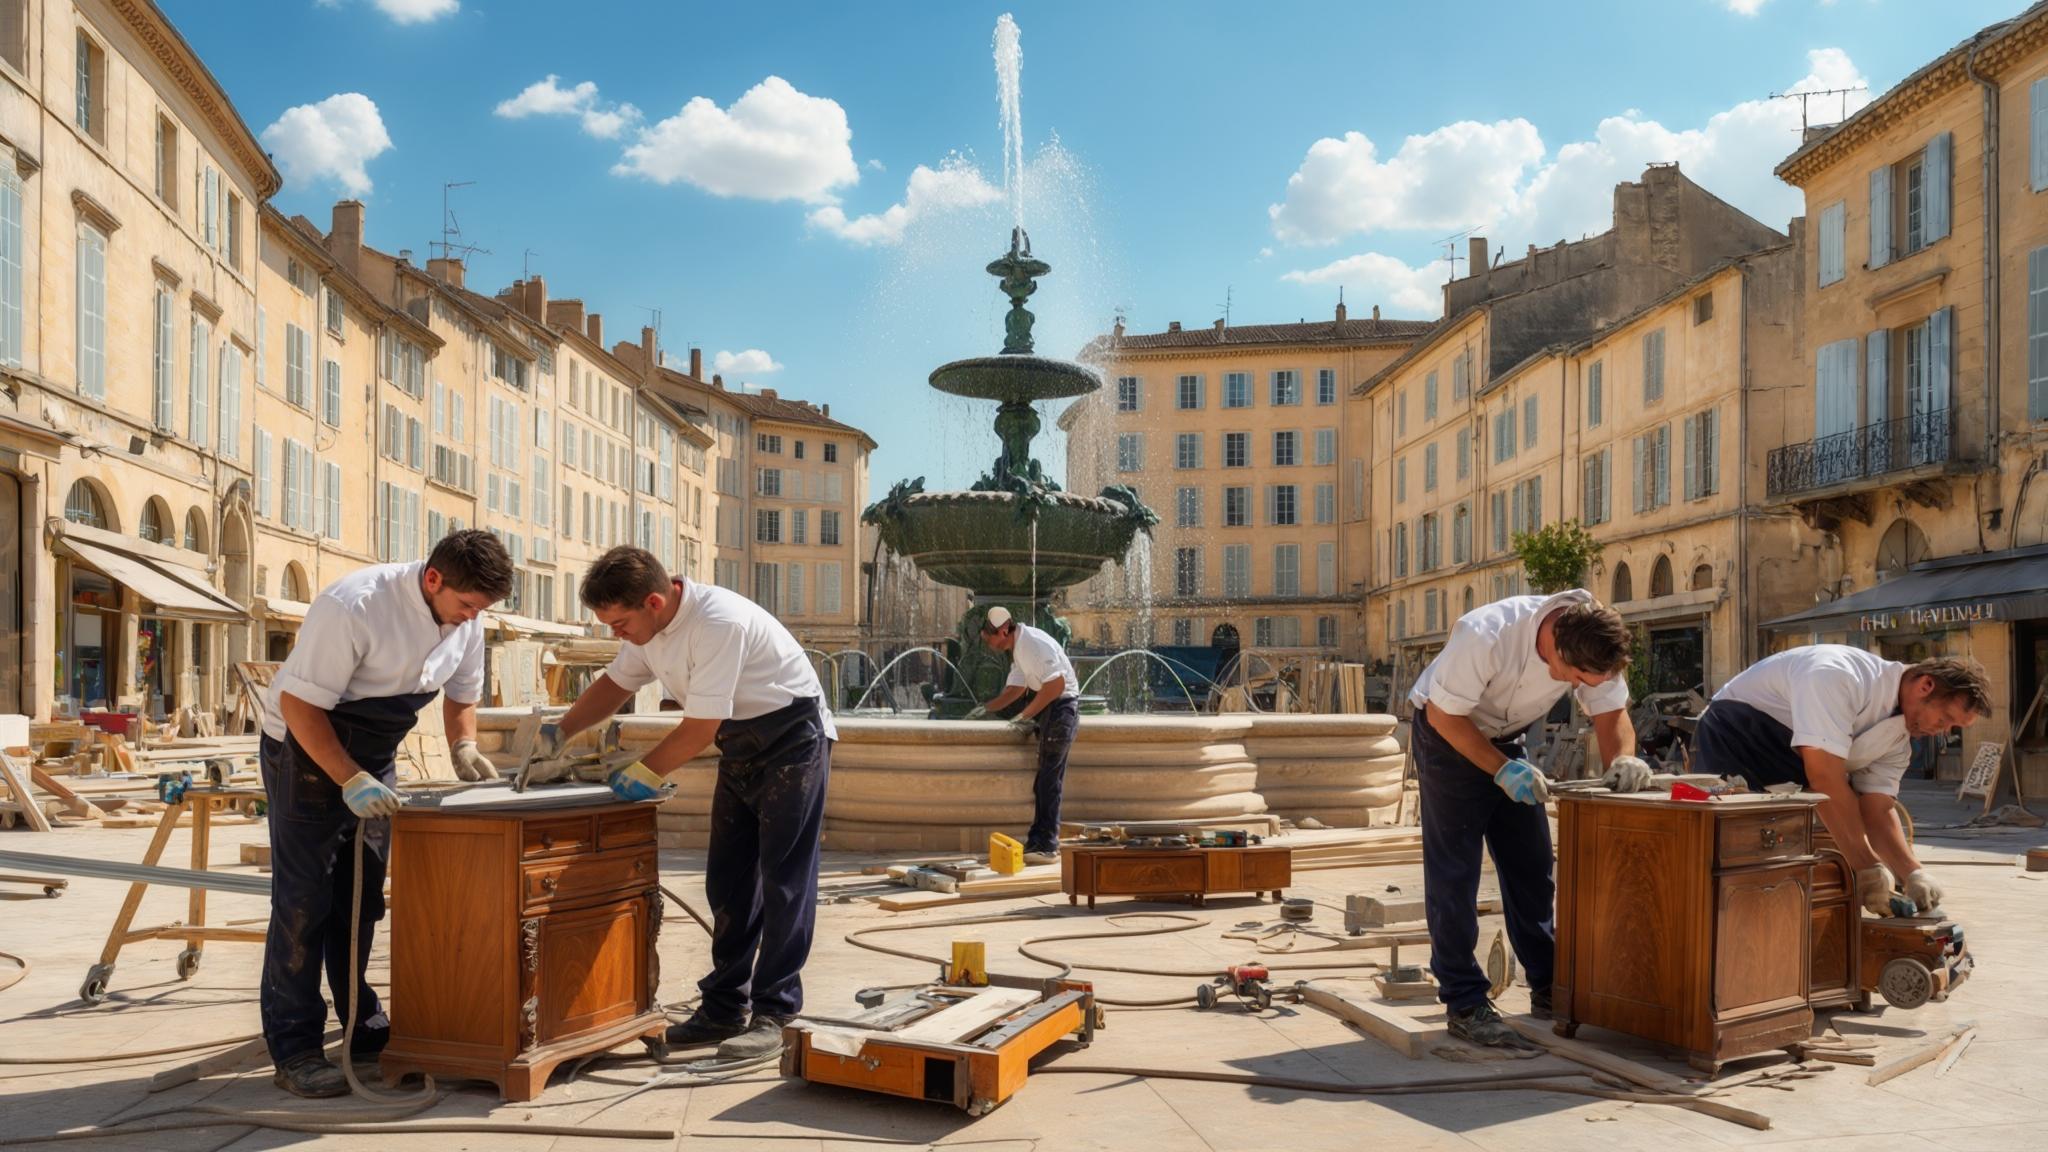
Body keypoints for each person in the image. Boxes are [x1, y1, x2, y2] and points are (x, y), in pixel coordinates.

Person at [520, 546, 835, 1062]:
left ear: (653, 601)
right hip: (741, 742)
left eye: (620, 623)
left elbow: (699, 729)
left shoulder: (718, 622)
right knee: (728, 881)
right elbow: (613, 685)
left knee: (784, 880)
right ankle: (723, 1008)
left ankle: (775, 1011)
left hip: (793, 738)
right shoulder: (648, 628)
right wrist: (560, 731)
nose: (616, 633)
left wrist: (644, 773)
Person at [259, 530, 513, 1097]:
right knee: (304, 900)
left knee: (363, 895)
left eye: (482, 610)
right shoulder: (353, 605)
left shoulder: (470, 621)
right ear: (433, 579)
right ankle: (294, 1045)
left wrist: (464, 747)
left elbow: (462, 697)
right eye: (467, 605)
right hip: (305, 744)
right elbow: (300, 703)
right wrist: (348, 778)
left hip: (373, 754)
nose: (473, 618)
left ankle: (358, 1020)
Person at [1408, 590, 1643, 1048]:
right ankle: (1464, 1000)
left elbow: (1612, 713)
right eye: (1575, 679)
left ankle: (1549, 985)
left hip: (1506, 738)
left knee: (1533, 867)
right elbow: (1443, 715)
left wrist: (1626, 761)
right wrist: (1499, 769)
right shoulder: (1485, 634)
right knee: (1455, 870)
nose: (1578, 688)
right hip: (1447, 735)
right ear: (1555, 646)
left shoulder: (1591, 636)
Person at [1693, 648, 1990, 918]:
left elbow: (1877, 810)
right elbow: (1824, 777)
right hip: (1733, 741)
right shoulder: (1837, 675)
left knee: (1775, 877)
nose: (1943, 732)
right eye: (1946, 719)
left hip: (1792, 772)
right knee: (1724, 866)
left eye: (1953, 728)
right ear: (1925, 685)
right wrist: (1868, 867)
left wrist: (1912, 872)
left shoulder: (1899, 740)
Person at [966, 606, 1080, 866]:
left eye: (989, 638)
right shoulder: (1019, 648)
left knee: (1049, 781)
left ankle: (1048, 845)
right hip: (1053, 709)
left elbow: (1056, 685)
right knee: (1043, 781)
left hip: (1062, 709)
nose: (989, 644)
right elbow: (1015, 689)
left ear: (1003, 630)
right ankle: (1038, 841)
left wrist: (1024, 715)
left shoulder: (1032, 645)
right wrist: (985, 708)